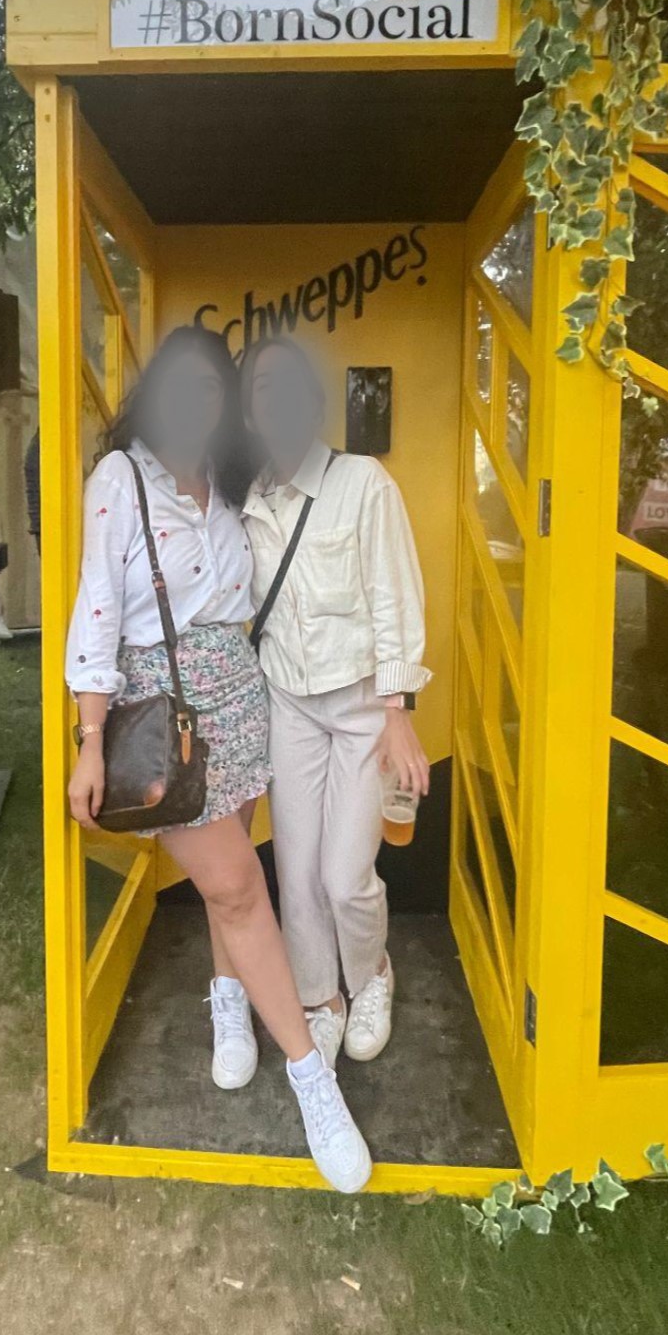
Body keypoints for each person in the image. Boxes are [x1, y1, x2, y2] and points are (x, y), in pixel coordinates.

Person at [65, 324, 372, 1194]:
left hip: (240, 696)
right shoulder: (121, 478)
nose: (196, 404)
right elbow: (96, 607)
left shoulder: (230, 483)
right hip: (160, 710)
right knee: (239, 887)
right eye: (183, 387)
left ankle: (231, 1006)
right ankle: (313, 1080)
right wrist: (90, 740)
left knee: (224, 882)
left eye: (212, 391)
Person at [241, 336, 431, 1068]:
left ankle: (372, 972)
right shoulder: (250, 499)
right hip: (288, 705)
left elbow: (395, 597)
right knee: (296, 875)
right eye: (261, 389)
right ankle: (320, 995)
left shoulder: (362, 483)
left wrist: (398, 712)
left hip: (359, 709)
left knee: (345, 879)